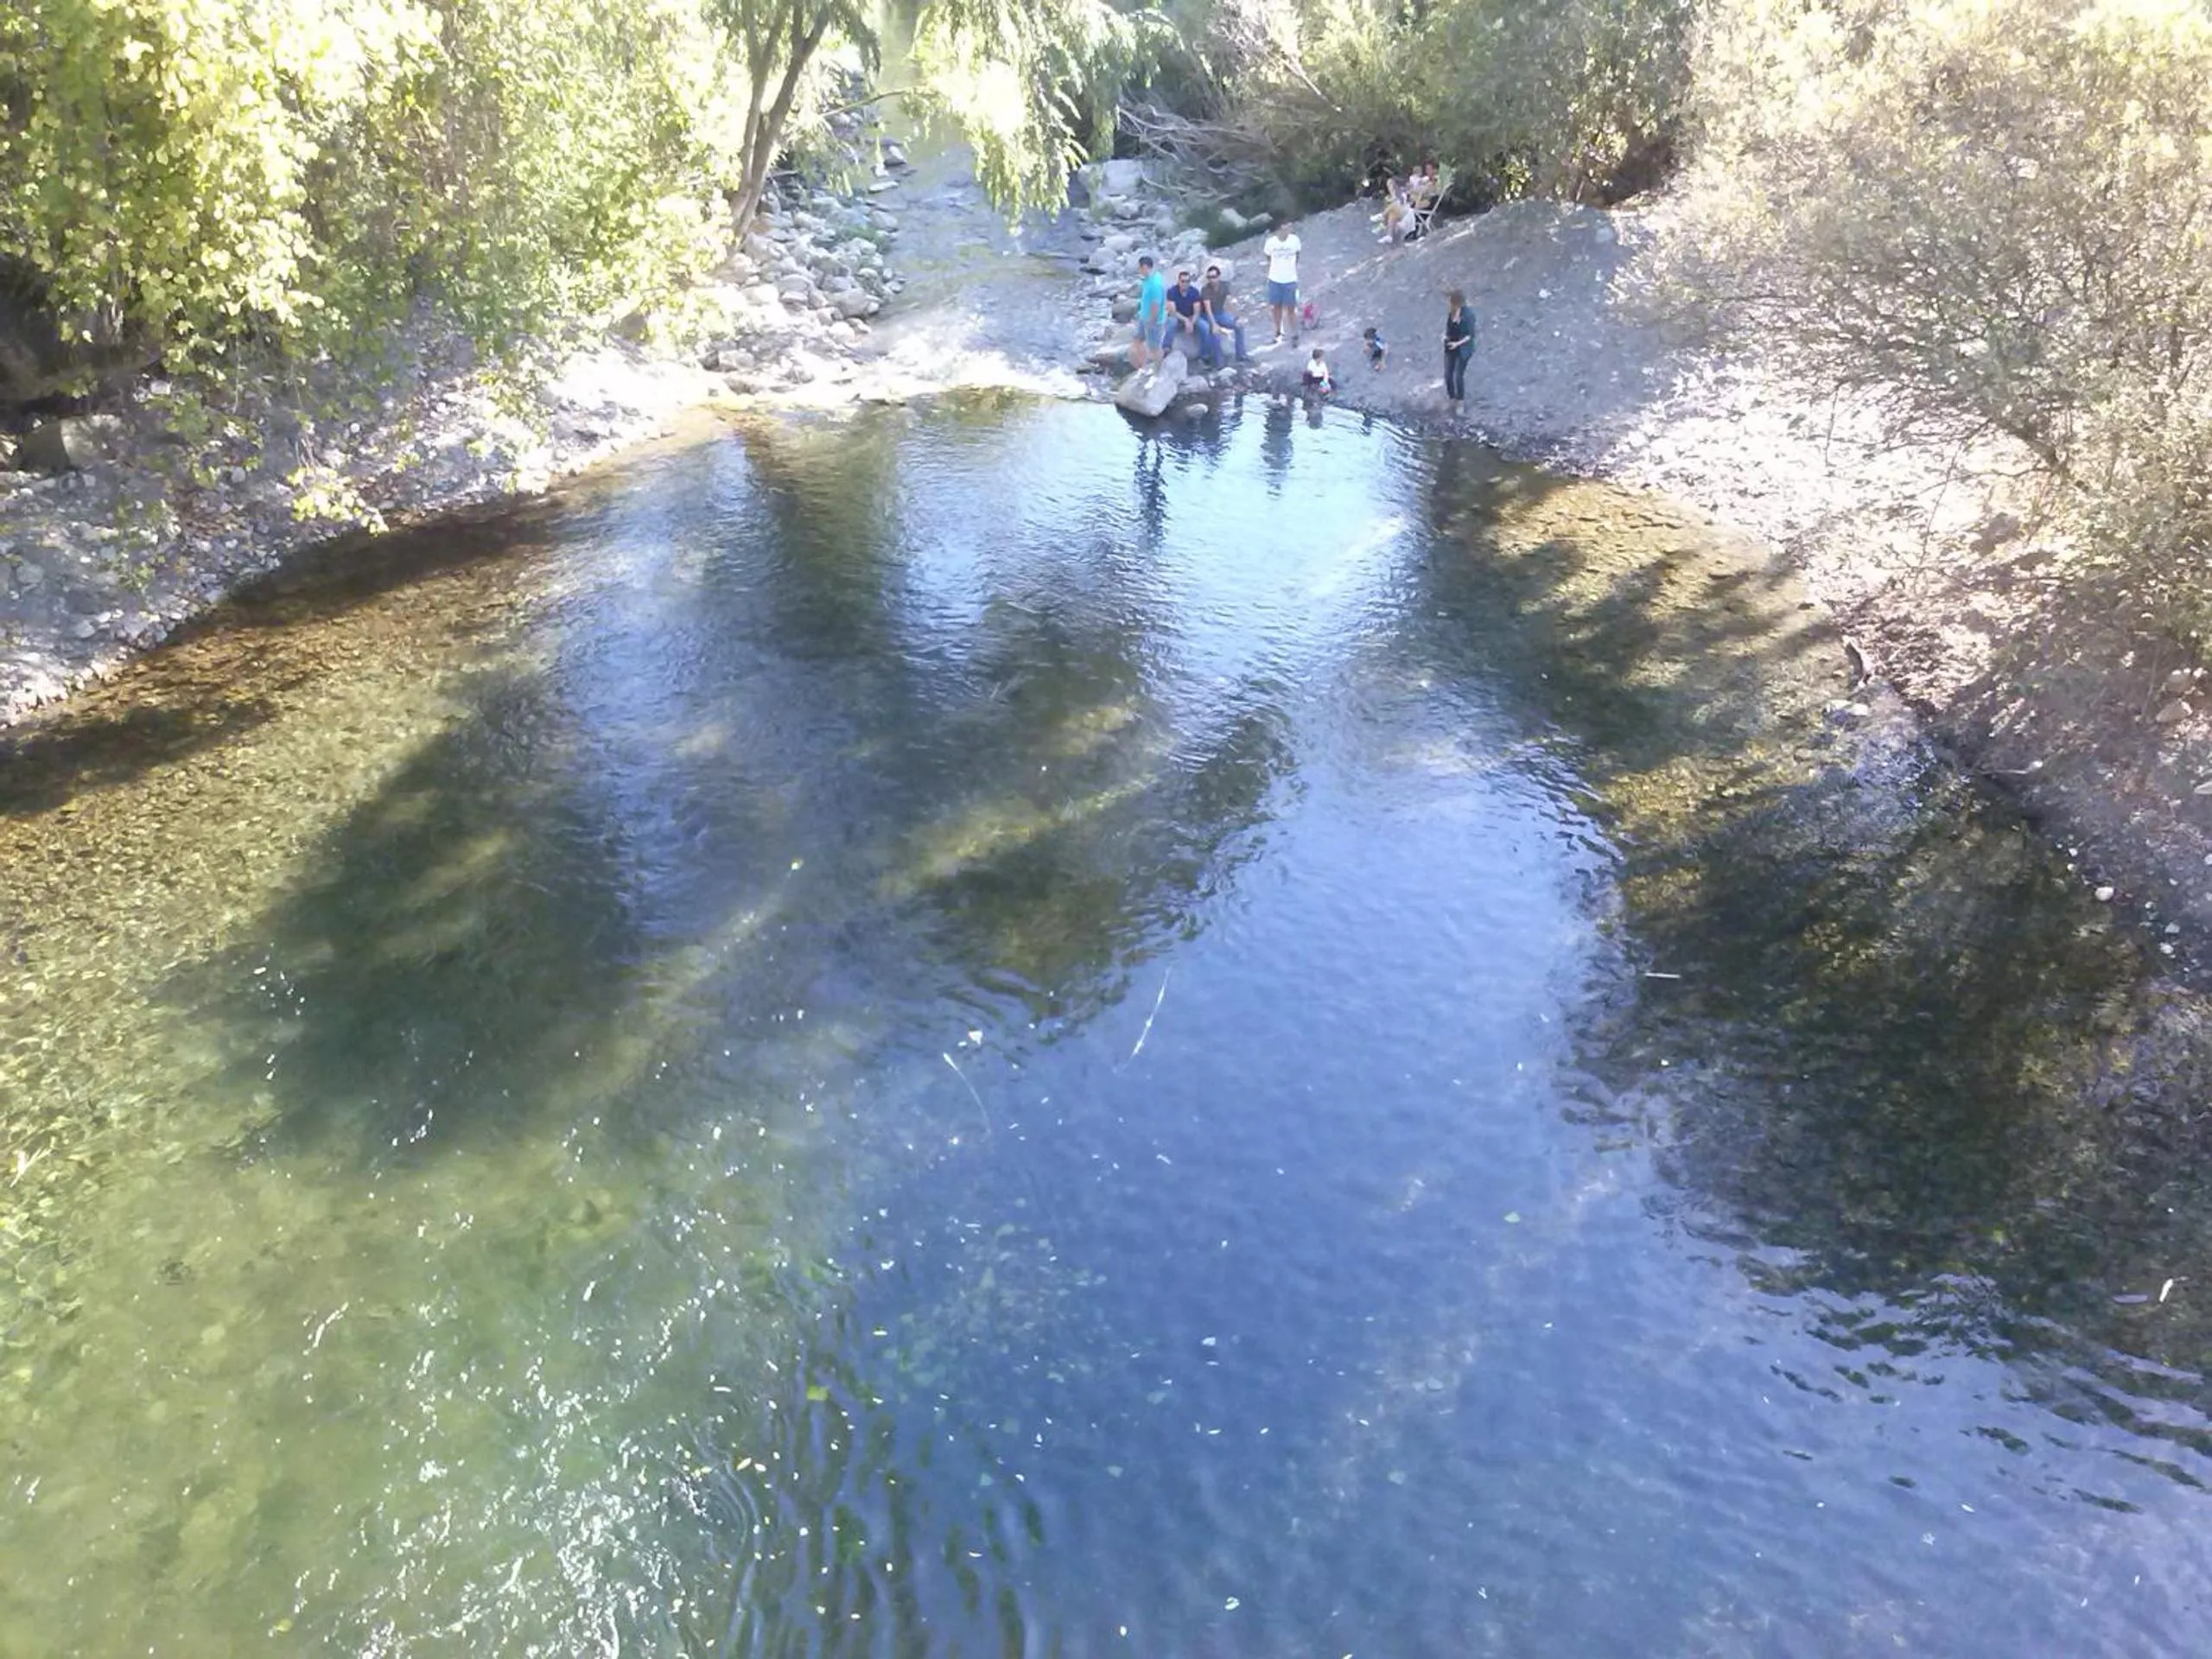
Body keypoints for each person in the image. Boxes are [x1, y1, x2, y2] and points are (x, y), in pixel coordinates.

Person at [1198, 264, 1249, 367]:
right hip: (1207, 315)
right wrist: (1214, 325)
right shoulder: (1205, 290)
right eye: (1209, 277)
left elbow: (1229, 302)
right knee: (1215, 335)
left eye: (1214, 277)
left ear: (1219, 276)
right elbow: (1208, 309)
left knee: (1239, 327)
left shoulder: (1225, 286)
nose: (1212, 280)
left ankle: (1241, 355)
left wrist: (1236, 317)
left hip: (1220, 313)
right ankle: (1219, 362)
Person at [1263, 219, 1302, 345]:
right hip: (1275, 279)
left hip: (1290, 279)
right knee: (1276, 307)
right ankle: (1278, 331)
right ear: (1280, 228)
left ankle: (1294, 333)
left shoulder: (1295, 240)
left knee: (1291, 308)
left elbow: (1297, 255)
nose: (1289, 228)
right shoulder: (1270, 243)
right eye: (1286, 226)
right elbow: (1268, 257)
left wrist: (1291, 269)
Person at [1132, 255, 1166, 371]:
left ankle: (1158, 370)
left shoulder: (1155, 284)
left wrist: (1152, 322)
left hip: (1153, 321)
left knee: (1155, 348)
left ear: (1146, 267)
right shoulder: (1148, 278)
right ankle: (1142, 366)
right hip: (1143, 317)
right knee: (1137, 340)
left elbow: (1156, 305)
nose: (1139, 270)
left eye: (1140, 268)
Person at [1443, 287, 1475, 406]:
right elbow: (1449, 328)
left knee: (1458, 375)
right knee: (1448, 374)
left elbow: (1470, 335)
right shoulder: (1451, 313)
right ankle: (1451, 397)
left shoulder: (1468, 315)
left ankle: (1460, 401)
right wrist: (1445, 336)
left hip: (1463, 349)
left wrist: (1457, 344)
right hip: (1451, 346)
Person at [1163, 267, 1205, 356]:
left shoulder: (1194, 292)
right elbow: (1172, 312)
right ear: (1178, 281)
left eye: (1187, 281)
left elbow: (1197, 311)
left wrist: (1191, 323)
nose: (1185, 284)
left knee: (1205, 327)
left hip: (1192, 317)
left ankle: (1205, 354)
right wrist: (1185, 320)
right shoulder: (1172, 292)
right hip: (1178, 317)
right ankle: (1166, 348)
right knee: (1172, 323)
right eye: (1183, 281)